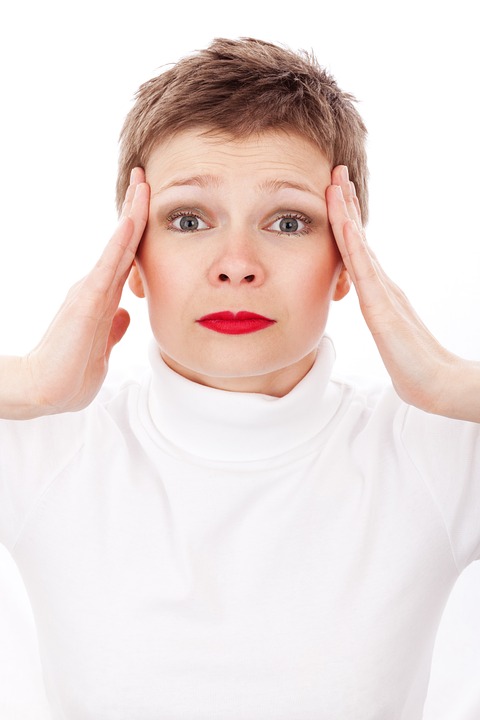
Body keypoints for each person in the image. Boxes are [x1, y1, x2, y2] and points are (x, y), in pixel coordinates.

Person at [0, 37, 479, 720]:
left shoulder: (437, 453)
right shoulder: (45, 447)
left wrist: (454, 384)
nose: (236, 264)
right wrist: (22, 386)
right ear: (132, 258)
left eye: (287, 221)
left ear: (347, 261)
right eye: (188, 219)